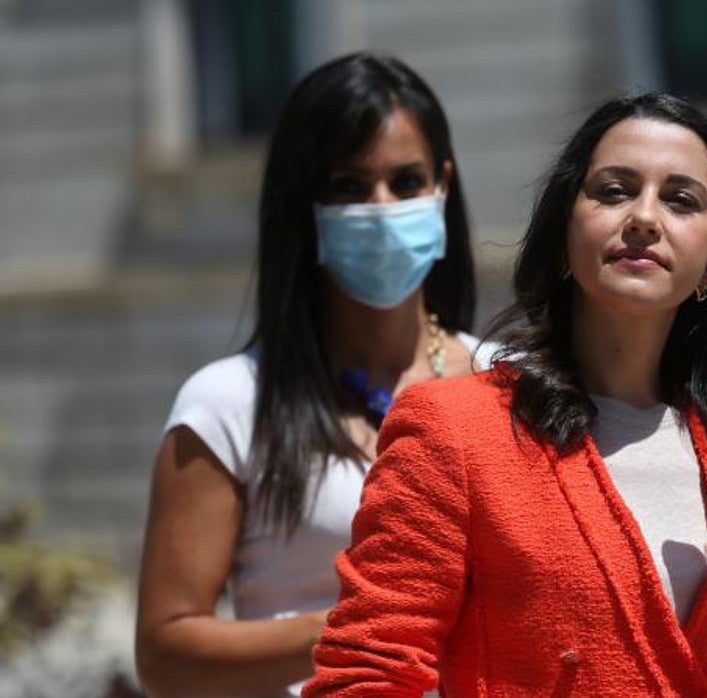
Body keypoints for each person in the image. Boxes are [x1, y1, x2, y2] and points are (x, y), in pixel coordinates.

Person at [303, 92, 707, 696]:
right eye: (614, 191)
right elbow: (364, 674)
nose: (644, 217)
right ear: (565, 234)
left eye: (680, 200)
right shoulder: (455, 431)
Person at [134, 51, 490, 697]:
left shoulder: (507, 381)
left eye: (405, 182)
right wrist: (366, 626)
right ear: (306, 206)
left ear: (443, 185)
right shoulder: (228, 403)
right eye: (349, 187)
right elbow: (166, 653)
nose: (382, 208)